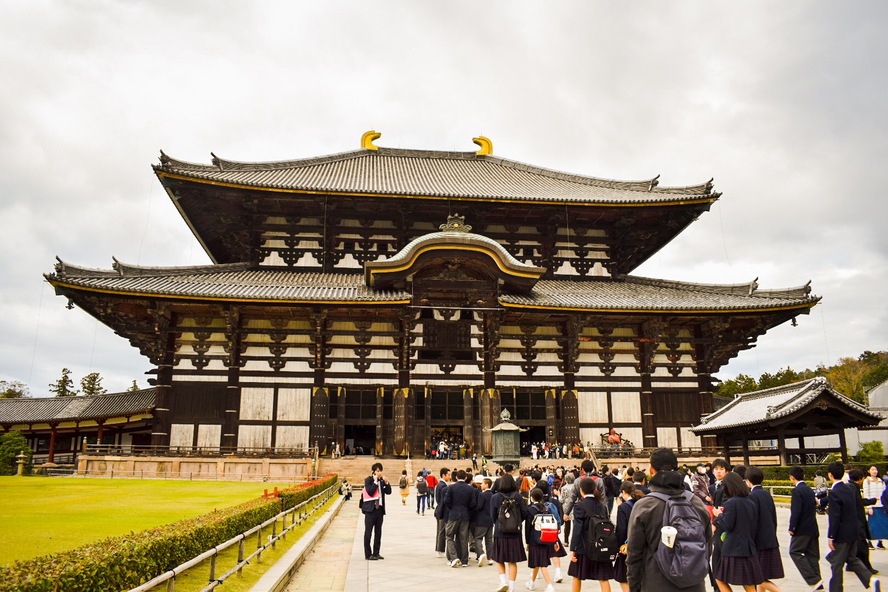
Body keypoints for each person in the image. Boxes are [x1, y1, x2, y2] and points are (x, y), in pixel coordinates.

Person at [626, 447, 712, 592]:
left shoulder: (644, 506)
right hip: (694, 584)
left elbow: (634, 554)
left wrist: (634, 586)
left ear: (651, 469)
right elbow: (707, 545)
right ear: (677, 467)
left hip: (656, 583)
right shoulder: (696, 502)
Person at [825, 460, 880, 592]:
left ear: (830, 475)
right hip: (853, 531)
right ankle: (871, 581)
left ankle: (836, 589)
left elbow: (835, 517)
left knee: (836, 564)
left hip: (841, 534)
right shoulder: (849, 489)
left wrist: (831, 536)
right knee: (852, 559)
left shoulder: (834, 492)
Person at [569, 476, 615, 591]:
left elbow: (577, 529)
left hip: (583, 546)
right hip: (600, 545)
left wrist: (573, 548)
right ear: (595, 488)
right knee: (603, 578)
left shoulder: (579, 506)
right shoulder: (602, 506)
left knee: (577, 576)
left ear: (581, 490)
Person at [746, 466, 784, 592]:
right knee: (762, 575)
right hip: (770, 538)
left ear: (748, 481)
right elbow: (774, 517)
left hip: (759, 542)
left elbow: (752, 521)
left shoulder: (751, 496)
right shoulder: (767, 494)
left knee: (759, 577)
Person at [787, 465, 823, 591]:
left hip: (802, 529)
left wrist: (792, 527)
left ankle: (813, 579)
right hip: (813, 527)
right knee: (812, 555)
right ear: (804, 476)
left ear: (792, 478)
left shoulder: (797, 491)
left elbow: (796, 511)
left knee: (794, 551)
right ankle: (818, 583)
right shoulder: (809, 490)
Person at [490, 473, 527, 592]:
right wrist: (515, 522)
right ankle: (511, 587)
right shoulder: (518, 496)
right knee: (512, 561)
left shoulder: (495, 497)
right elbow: (524, 513)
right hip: (515, 533)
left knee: (499, 559)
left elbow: (492, 515)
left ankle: (503, 581)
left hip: (500, 532)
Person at [442, 469, 477, 567]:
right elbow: (473, 503)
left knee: (449, 535)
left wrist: (452, 508)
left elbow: (446, 501)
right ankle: (464, 560)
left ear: (456, 477)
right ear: (465, 478)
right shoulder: (470, 489)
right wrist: (467, 509)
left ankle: (454, 557)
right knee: (463, 538)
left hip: (453, 514)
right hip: (465, 515)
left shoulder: (452, 487)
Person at [614, 481, 644, 592]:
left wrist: (618, 546)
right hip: (643, 545)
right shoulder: (642, 503)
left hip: (628, 547)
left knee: (623, 578)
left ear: (623, 492)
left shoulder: (623, 507)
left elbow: (621, 529)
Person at [525, 488, 556, 592]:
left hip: (535, 539)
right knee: (538, 562)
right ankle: (532, 582)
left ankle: (549, 585)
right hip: (546, 537)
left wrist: (527, 542)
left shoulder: (530, 510)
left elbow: (527, 528)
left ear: (532, 497)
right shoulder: (546, 508)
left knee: (542, 563)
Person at [849, 468, 879, 575]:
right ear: (861, 479)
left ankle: (851, 564)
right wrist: (872, 500)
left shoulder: (851, 487)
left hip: (854, 520)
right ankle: (866, 567)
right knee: (862, 546)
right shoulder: (853, 488)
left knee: (855, 545)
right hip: (857, 520)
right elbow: (859, 502)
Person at [361, 462, 391, 560]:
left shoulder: (382, 481)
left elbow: (388, 492)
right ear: (373, 471)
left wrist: (386, 483)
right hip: (370, 510)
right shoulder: (368, 480)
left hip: (380, 510)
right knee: (368, 532)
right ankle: (368, 554)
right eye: (377, 471)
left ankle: (376, 552)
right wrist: (374, 482)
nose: (379, 473)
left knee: (378, 532)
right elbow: (370, 492)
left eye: (380, 471)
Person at [473, 477, 495, 566]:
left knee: (478, 538)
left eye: (482, 483)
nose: (481, 485)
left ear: (486, 485)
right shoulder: (493, 495)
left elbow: (479, 507)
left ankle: (481, 553)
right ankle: (490, 558)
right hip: (490, 520)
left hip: (481, 520)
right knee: (489, 540)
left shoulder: (482, 495)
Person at [865, 466, 887, 549]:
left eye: (876, 469)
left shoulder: (881, 481)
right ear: (868, 471)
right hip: (872, 505)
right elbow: (866, 494)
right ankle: (869, 541)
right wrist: (869, 506)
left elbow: (884, 493)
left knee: (880, 524)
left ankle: (880, 541)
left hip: (881, 505)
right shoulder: (867, 481)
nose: (875, 471)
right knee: (872, 524)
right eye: (872, 470)